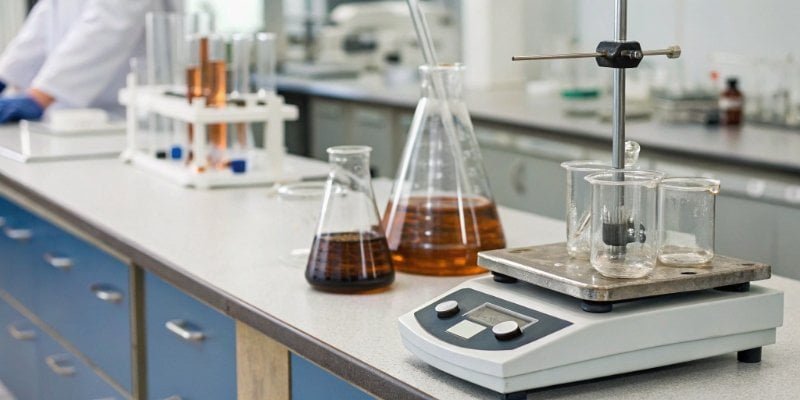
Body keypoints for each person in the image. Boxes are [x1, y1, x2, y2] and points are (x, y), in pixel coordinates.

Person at [0, 0, 179, 123]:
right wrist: (6, 75)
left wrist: (40, 95)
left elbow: (108, 22)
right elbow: (46, 19)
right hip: (73, 120)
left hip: (126, 117)